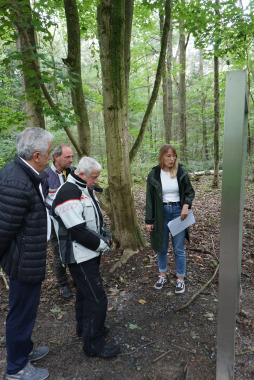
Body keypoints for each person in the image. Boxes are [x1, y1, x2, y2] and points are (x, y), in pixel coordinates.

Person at [52, 156, 120, 358]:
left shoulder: (84, 188)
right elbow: (78, 231)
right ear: (82, 174)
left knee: (84, 293)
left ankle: (85, 329)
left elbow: (95, 219)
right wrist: (103, 245)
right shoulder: (69, 192)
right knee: (97, 299)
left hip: (88, 253)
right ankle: (93, 345)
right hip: (78, 256)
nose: (97, 181)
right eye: (94, 177)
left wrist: (106, 236)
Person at [0, 127, 53, 380]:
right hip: (22, 262)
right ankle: (16, 368)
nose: (50, 157)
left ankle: (24, 350)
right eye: (49, 153)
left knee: (26, 310)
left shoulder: (27, 174)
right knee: (20, 313)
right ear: (36, 155)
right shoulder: (17, 182)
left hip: (28, 258)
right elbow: (3, 229)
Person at [145, 144, 195, 294]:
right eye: (168, 156)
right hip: (161, 214)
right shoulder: (154, 174)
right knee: (161, 247)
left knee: (179, 248)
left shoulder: (181, 171)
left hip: (179, 214)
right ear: (162, 157)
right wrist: (149, 220)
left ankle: (180, 279)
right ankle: (162, 275)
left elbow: (189, 192)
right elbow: (150, 199)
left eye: (174, 156)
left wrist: (186, 205)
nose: (172, 159)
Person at [41, 144, 75, 299]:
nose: (71, 160)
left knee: (75, 249)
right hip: (55, 222)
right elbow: (41, 201)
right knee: (58, 253)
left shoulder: (74, 173)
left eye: (72, 157)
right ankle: (62, 284)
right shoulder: (45, 175)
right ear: (56, 157)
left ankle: (76, 278)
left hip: (74, 220)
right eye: (67, 157)